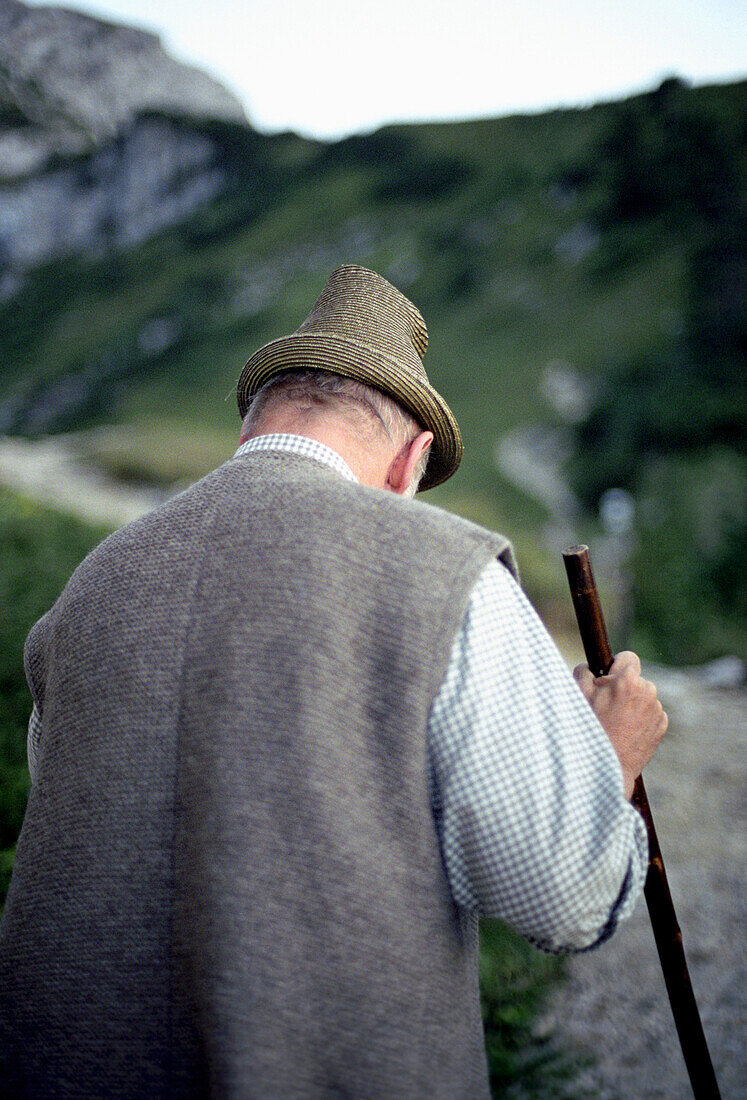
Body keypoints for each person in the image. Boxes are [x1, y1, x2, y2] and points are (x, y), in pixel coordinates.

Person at [0, 264, 667, 1098]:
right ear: (411, 459)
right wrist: (608, 760)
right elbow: (565, 900)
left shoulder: (92, 586)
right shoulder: (441, 569)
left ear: (255, 424)